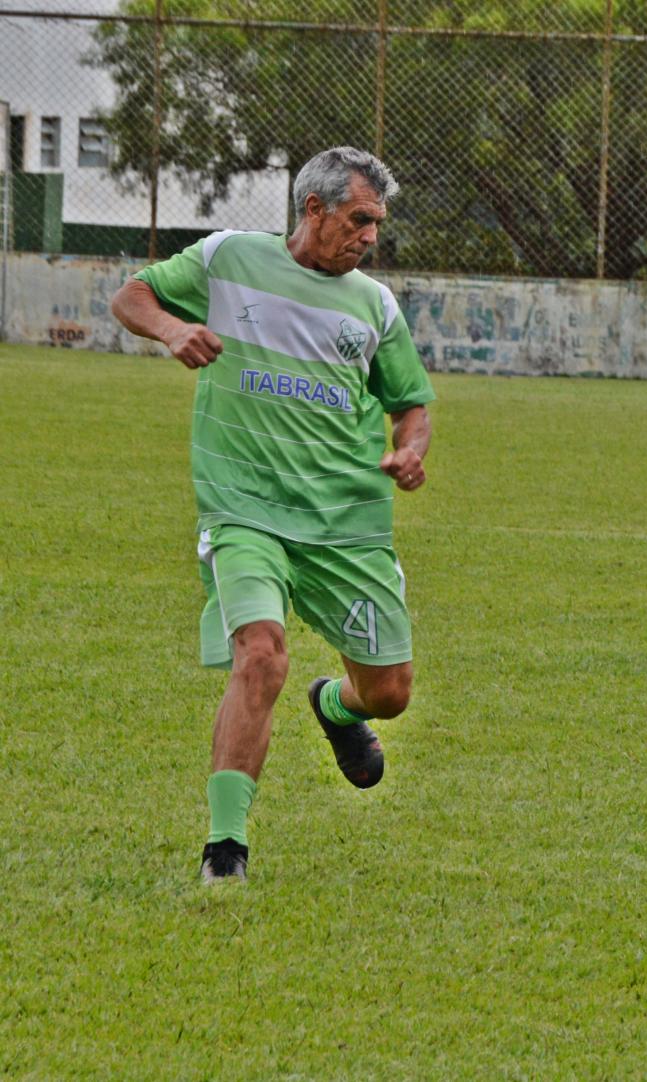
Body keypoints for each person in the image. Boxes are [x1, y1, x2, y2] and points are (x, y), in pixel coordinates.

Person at [110, 147, 435, 882]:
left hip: (345, 520)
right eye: (359, 219)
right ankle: (226, 851)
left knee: (391, 693)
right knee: (261, 654)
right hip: (244, 508)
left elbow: (411, 404)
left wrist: (410, 450)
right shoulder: (228, 260)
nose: (370, 237)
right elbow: (131, 297)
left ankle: (339, 708)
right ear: (313, 210)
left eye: (378, 224)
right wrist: (171, 330)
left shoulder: (375, 306)